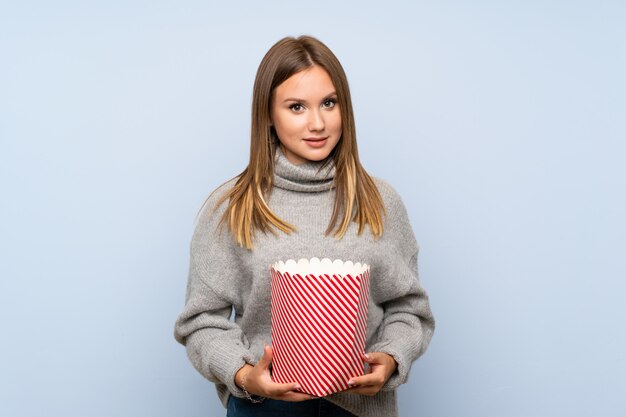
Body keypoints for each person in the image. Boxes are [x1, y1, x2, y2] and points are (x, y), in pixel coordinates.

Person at [173, 35, 435, 417]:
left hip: (361, 407)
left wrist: (393, 357)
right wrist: (246, 376)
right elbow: (201, 322)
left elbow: (409, 308)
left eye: (329, 103)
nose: (317, 123)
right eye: (296, 107)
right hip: (264, 407)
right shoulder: (232, 207)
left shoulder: (380, 202)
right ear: (267, 114)